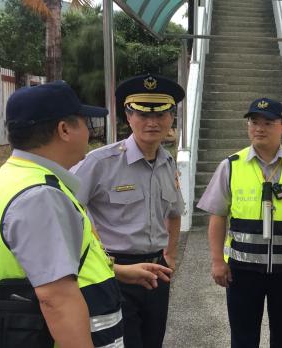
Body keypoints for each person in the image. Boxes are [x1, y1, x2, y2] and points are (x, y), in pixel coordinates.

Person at [0, 81, 171, 348]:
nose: (89, 135)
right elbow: (56, 298)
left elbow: (46, 262)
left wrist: (118, 270)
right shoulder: (41, 195)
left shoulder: (14, 178)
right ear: (64, 129)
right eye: (86, 125)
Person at [71, 73, 185, 348]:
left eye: (161, 114)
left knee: (152, 341)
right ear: (128, 115)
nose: (152, 122)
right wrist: (104, 264)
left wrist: (169, 255)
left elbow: (174, 212)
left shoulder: (168, 162)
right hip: (115, 271)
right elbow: (67, 209)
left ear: (171, 117)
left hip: (157, 271)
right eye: (143, 114)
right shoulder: (100, 162)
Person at [197, 98, 282, 348]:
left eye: (268, 122)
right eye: (253, 122)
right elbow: (217, 216)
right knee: (243, 335)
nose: (259, 128)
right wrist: (217, 261)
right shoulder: (231, 166)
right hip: (242, 269)